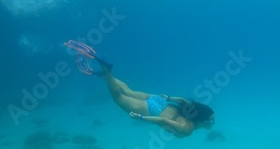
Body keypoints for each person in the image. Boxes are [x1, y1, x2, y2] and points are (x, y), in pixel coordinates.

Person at [64, 40, 215, 138]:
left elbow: (182, 100)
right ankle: (106, 70)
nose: (212, 123)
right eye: (211, 121)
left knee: (128, 91)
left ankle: (106, 76)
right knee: (118, 97)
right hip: (152, 109)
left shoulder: (188, 112)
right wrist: (141, 118)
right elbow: (162, 120)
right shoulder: (187, 129)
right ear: (203, 121)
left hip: (160, 100)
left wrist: (168, 98)